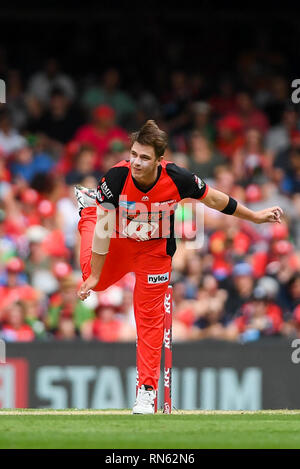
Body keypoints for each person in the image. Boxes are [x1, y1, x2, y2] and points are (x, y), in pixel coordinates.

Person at [74, 119, 283, 415]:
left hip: (155, 253)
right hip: (119, 240)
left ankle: (146, 391)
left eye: (144, 157)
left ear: (160, 160)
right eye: (133, 154)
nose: (136, 162)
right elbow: (104, 232)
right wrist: (95, 275)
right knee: (94, 281)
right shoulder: (115, 178)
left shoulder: (177, 177)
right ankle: (88, 209)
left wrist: (255, 217)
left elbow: (215, 199)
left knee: (149, 321)